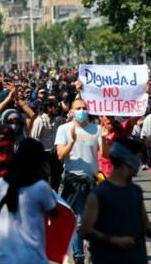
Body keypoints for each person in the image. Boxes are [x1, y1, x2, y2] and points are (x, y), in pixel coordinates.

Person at [0, 138, 58, 264]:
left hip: (2, 259)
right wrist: (47, 177)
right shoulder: (40, 187)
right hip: (32, 258)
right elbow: (54, 213)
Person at [54, 98, 109, 264]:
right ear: (71, 111)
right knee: (76, 220)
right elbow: (60, 156)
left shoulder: (96, 129)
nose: (81, 110)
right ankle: (78, 256)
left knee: (93, 219)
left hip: (91, 180)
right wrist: (72, 141)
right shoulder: (64, 129)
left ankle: (92, 248)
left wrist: (105, 139)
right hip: (72, 180)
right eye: (78, 108)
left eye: (84, 108)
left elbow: (105, 155)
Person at [81, 138, 149, 264]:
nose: (139, 163)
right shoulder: (99, 194)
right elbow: (85, 230)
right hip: (108, 259)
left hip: (137, 258)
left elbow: (145, 226)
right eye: (137, 157)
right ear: (127, 160)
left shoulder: (136, 191)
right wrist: (115, 240)